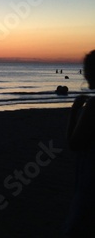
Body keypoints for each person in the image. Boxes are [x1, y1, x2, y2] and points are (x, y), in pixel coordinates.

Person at [64, 50, 95, 237]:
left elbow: (74, 144)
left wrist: (74, 112)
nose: (84, 74)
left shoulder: (92, 107)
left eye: (86, 69)